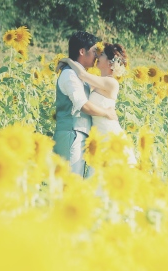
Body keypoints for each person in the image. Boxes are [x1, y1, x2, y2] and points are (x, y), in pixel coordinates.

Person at [59, 43, 137, 166]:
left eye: (103, 54)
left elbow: (83, 75)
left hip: (109, 134)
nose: (98, 56)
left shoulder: (111, 83)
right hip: (99, 136)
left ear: (110, 62)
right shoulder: (99, 82)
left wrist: (68, 60)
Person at [53, 31, 118, 177]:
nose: (96, 55)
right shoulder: (70, 74)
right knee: (71, 183)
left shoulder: (80, 74)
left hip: (80, 134)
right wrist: (106, 113)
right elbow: (83, 105)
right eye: (94, 51)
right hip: (71, 133)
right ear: (82, 52)